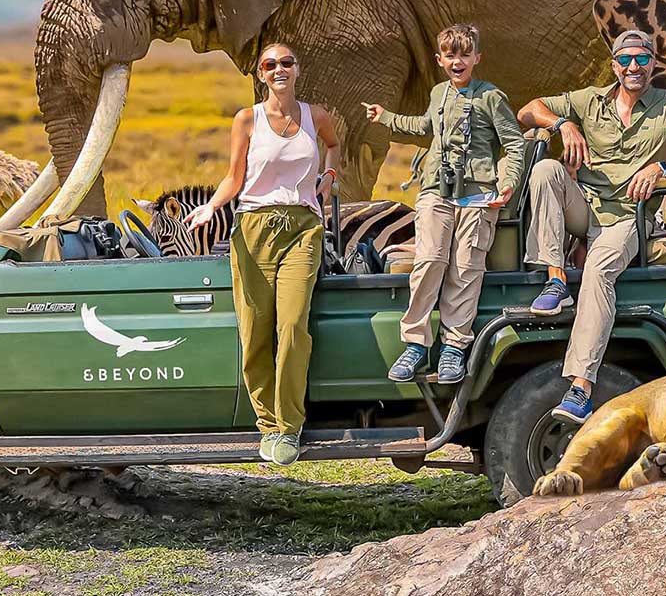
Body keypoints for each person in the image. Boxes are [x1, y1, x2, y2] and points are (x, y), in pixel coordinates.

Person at [516, 29, 666, 423]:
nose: (633, 67)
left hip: (629, 214)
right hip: (585, 205)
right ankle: (555, 279)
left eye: (641, 59)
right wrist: (561, 126)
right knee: (547, 170)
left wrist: (661, 168)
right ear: (614, 65)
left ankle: (580, 388)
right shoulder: (588, 100)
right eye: (625, 60)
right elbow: (527, 110)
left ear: (654, 63)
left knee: (599, 270)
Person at [185, 43, 341, 466]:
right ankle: (266, 424)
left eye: (286, 62)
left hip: (303, 229)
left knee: (292, 326)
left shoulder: (316, 115)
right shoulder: (247, 119)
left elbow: (334, 145)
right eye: (270, 65)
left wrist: (328, 175)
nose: (279, 70)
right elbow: (234, 178)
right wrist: (211, 207)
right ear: (260, 74)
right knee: (255, 330)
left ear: (298, 69)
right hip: (253, 228)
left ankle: (289, 428)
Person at [363, 23, 524, 386]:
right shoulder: (438, 93)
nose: (458, 61)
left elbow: (513, 144)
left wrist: (508, 182)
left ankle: (454, 346)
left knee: (466, 269)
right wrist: (386, 116)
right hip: (436, 188)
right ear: (440, 59)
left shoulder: (491, 98)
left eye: (465, 55)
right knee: (430, 260)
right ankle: (416, 343)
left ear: (477, 58)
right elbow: (423, 126)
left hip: (480, 193)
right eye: (450, 55)